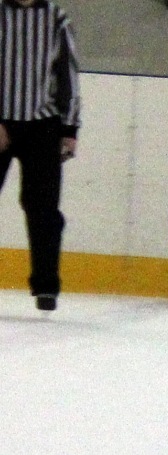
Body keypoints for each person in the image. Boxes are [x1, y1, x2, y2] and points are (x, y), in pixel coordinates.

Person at [0, 0, 81, 312]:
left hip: (42, 127)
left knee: (43, 208)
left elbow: (68, 75)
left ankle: (46, 286)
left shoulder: (56, 19)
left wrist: (69, 128)